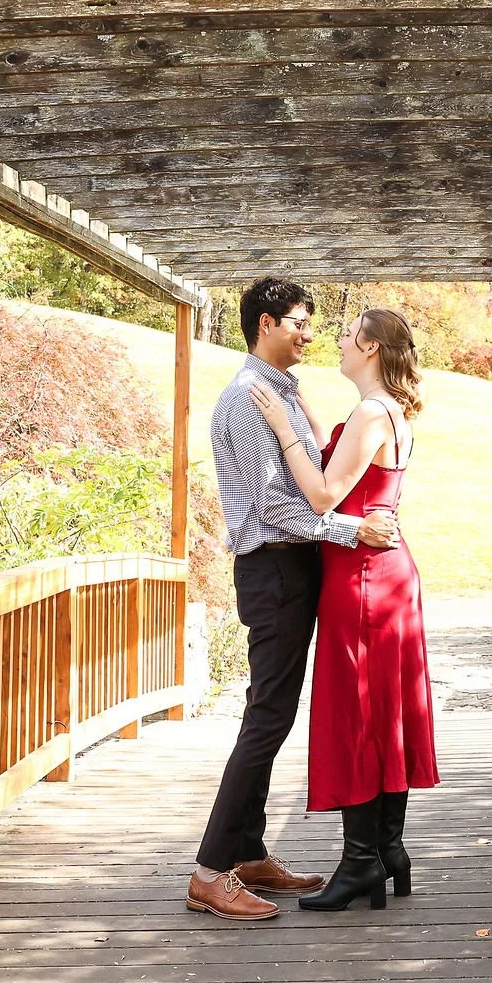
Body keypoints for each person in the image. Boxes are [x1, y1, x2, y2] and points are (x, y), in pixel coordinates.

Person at [184, 278, 403, 922]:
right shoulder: (244, 403)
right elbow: (273, 505)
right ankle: (209, 869)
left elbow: (317, 477)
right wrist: (351, 529)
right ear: (267, 324)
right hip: (272, 572)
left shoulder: (281, 392)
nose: (309, 333)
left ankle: (250, 854)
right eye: (300, 323)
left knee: (273, 716)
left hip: (299, 571)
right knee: (267, 719)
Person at [248, 307, 439, 912]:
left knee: (359, 713)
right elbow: (348, 462)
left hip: (361, 582)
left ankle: (360, 862)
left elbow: (327, 492)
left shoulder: (369, 414)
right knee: (385, 711)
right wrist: (300, 406)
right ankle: (388, 850)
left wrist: (280, 424)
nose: (334, 339)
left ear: (370, 346)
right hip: (387, 575)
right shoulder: (389, 409)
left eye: (346, 332)